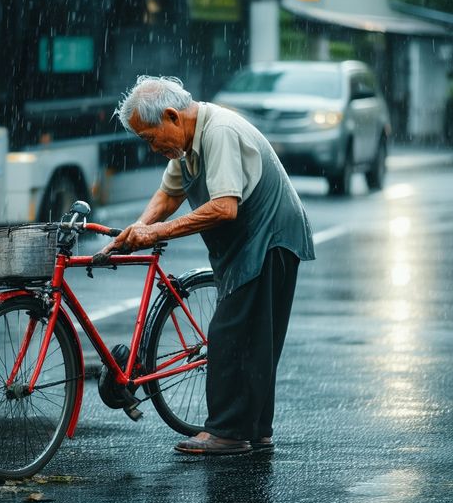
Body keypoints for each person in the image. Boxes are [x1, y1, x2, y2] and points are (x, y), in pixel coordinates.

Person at [100, 75, 315, 455]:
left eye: (150, 138)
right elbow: (169, 193)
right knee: (254, 336)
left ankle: (229, 433)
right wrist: (138, 228)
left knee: (234, 333)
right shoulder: (186, 144)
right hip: (251, 239)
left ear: (171, 116)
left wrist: (159, 232)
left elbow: (225, 207)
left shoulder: (219, 132)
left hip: (271, 235)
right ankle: (254, 430)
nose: (151, 148)